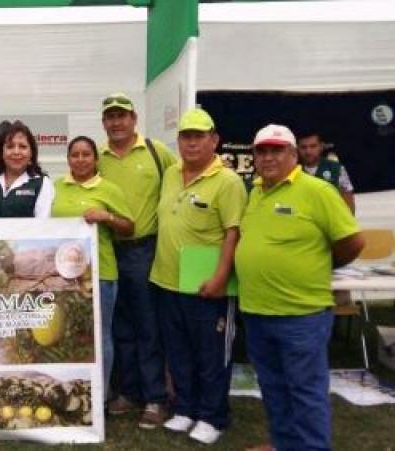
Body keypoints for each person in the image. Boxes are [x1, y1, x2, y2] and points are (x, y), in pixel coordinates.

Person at [236, 124, 364, 451]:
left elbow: (352, 241)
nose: (268, 157)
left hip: (301, 314)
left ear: (293, 155)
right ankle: (284, 443)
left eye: (276, 150)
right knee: (274, 388)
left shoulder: (317, 190)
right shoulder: (254, 192)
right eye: (261, 151)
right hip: (257, 310)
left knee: (305, 391)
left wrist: (319, 265)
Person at [150, 109, 247, 444]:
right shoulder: (172, 173)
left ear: (214, 140)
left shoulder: (229, 182)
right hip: (167, 280)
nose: (191, 143)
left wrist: (222, 277)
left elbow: (234, 233)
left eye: (198, 136)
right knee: (178, 351)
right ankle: (186, 409)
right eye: (185, 136)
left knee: (211, 353)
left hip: (208, 285)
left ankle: (213, 415)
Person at [97, 92, 177, 428]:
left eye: (122, 115)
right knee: (119, 327)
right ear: (104, 122)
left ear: (134, 120)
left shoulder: (157, 153)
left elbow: (184, 180)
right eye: (110, 117)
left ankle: (155, 398)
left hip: (144, 249)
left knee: (148, 326)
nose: (117, 122)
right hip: (107, 250)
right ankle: (128, 392)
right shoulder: (97, 157)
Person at [50, 135, 134, 395]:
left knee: (100, 335)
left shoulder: (109, 190)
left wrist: (106, 216)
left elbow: (129, 227)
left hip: (100, 273)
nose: (80, 159)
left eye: (86, 154)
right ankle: (70, 389)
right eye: (75, 154)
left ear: (96, 159)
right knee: (68, 334)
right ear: (68, 159)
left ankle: (101, 396)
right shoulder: (56, 187)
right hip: (62, 276)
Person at [0, 120, 55, 218]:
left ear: (31, 153)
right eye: (10, 146)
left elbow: (42, 225)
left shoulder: (42, 183)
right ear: (1, 152)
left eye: (22, 147)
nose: (16, 152)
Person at [297, 131, 355, 213]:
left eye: (313, 146)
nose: (308, 151)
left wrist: (349, 221)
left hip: (331, 221)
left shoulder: (336, 168)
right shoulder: (292, 170)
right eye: (303, 147)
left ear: (321, 146)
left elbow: (347, 198)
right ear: (297, 149)